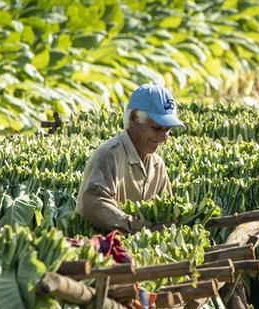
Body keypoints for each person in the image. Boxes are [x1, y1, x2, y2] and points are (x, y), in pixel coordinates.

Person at [76, 84, 184, 232]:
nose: (164, 137)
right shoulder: (109, 154)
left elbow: (166, 211)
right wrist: (138, 227)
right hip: (103, 250)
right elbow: (94, 203)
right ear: (134, 118)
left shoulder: (157, 165)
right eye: (157, 128)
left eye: (168, 130)